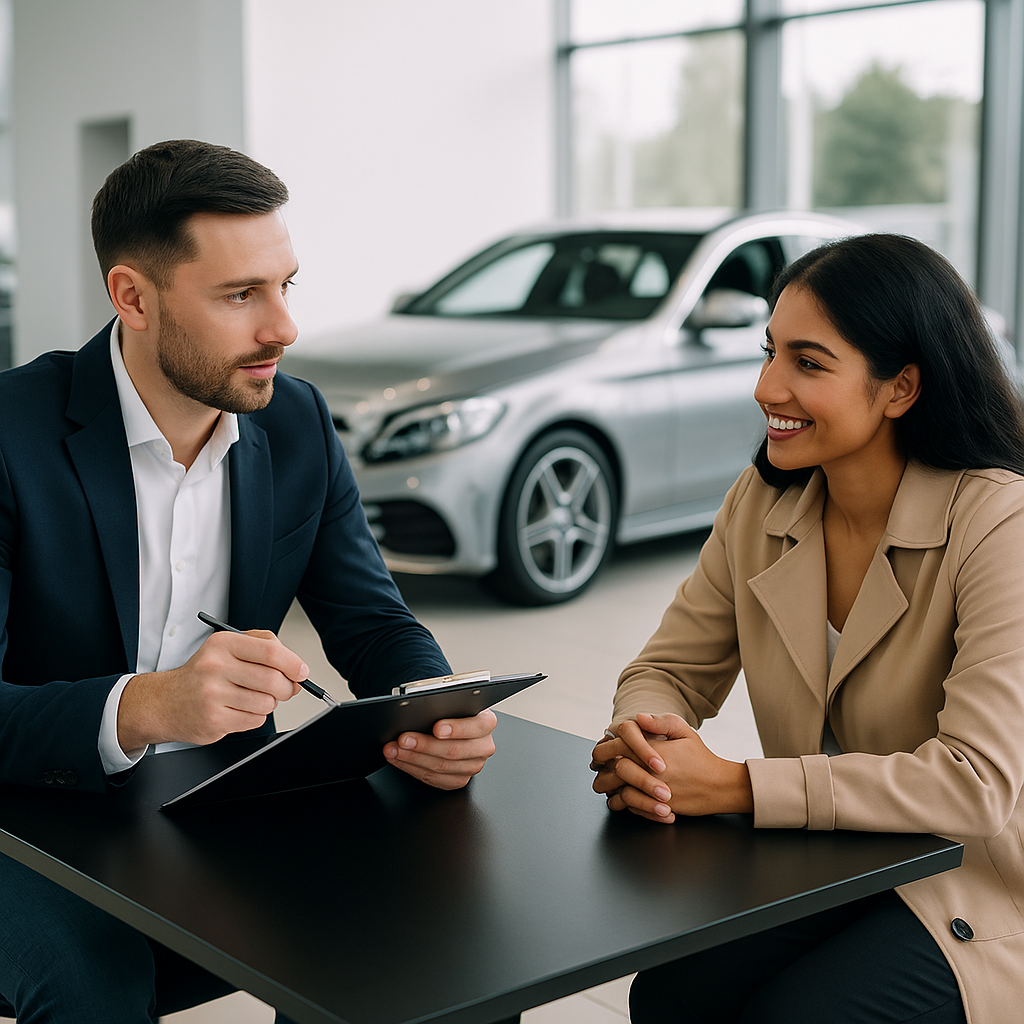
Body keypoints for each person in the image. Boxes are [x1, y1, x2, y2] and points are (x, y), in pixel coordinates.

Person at [0, 139, 498, 1023]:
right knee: (97, 983)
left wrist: (431, 700)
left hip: (223, 793)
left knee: (447, 938)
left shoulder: (297, 420)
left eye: (285, 286)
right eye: (241, 296)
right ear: (133, 297)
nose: (284, 328)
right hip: (27, 810)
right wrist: (150, 707)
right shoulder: (10, 436)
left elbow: (371, 620)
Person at [590, 233, 1024, 1024]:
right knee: (672, 992)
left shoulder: (1000, 520)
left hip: (983, 881)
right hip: (831, 856)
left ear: (901, 387)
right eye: (769, 353)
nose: (767, 387)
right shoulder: (762, 503)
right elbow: (670, 671)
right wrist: (648, 746)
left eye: (808, 363)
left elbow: (974, 783)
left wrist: (730, 784)